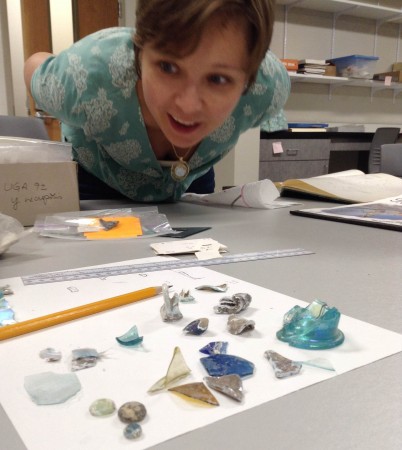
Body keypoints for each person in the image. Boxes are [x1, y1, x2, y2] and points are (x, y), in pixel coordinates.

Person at [24, 0, 290, 202]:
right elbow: (34, 66)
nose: (188, 106)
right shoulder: (84, 76)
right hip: (97, 178)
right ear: (139, 51)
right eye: (168, 67)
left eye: (218, 79)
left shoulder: (267, 90)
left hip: (189, 180)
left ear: (250, 78)